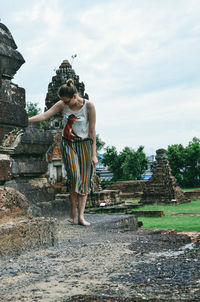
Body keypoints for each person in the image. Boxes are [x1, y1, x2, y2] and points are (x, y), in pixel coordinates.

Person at [29, 79, 98, 226]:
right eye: (63, 102)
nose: (65, 104)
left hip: (85, 145)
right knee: (75, 176)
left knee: (84, 180)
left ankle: (81, 216)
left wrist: (94, 154)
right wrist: (26, 120)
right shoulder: (62, 104)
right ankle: (73, 209)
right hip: (68, 145)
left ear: (75, 96)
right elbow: (44, 116)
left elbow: (92, 131)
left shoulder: (89, 106)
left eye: (67, 101)